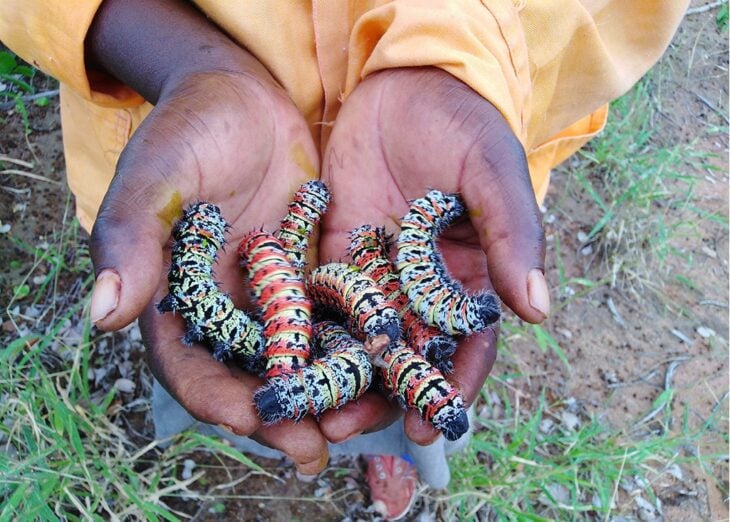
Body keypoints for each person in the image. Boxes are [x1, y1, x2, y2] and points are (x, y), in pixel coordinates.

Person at [0, 0, 688, 519]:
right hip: (196, 150)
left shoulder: (387, 271)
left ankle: (387, 449)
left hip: (399, 187)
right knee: (235, 359)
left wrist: (468, 60)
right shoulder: (304, 279)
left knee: (362, 383)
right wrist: (186, 64)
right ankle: (306, 414)